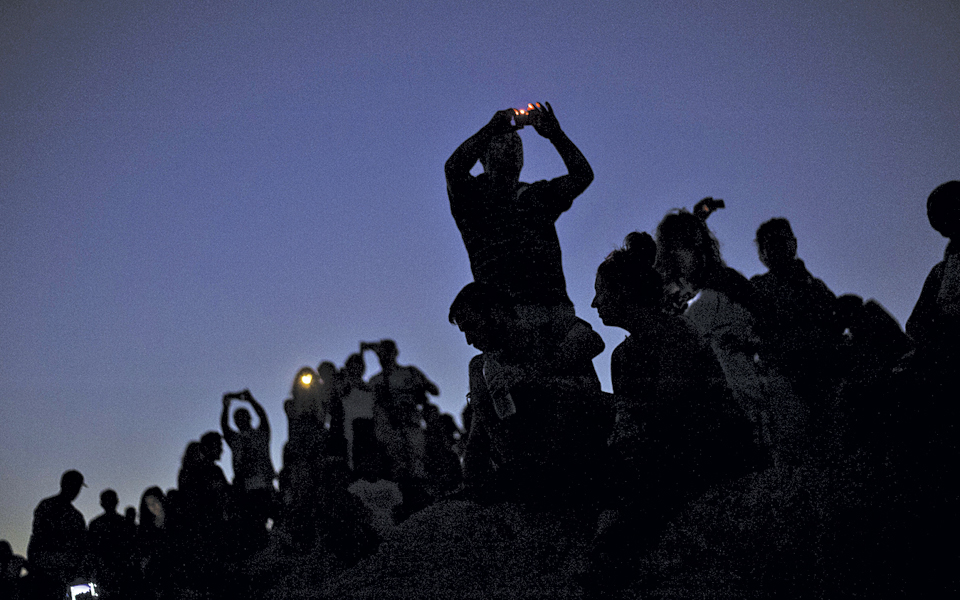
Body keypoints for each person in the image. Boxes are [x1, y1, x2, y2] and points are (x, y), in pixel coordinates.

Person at [586, 232, 757, 593]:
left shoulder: (674, 334)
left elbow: (672, 410)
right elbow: (633, 421)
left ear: (623, 292)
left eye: (601, 292)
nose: (594, 302)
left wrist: (613, 414)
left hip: (707, 451)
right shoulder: (623, 355)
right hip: (666, 454)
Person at [445, 103, 603, 412]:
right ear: (483, 157)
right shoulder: (472, 198)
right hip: (509, 321)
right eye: (501, 142)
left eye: (515, 143)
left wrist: (555, 134)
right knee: (528, 410)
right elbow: (453, 168)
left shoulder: (535, 196)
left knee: (582, 406)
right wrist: (493, 127)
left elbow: (582, 175)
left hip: (557, 314)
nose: (511, 147)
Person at [656, 207, 800, 464]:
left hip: (751, 386)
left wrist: (747, 343)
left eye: (695, 243)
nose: (692, 251)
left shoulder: (729, 282)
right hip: (702, 401)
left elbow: (770, 326)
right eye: (681, 245)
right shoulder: (667, 301)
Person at [449, 282, 610, 507]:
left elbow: (591, 341)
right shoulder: (482, 367)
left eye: (471, 326)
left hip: (581, 453)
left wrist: (530, 375)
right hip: (524, 473)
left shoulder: (546, 327)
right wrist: (471, 482)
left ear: (495, 313)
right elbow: (479, 430)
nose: (469, 339)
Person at [365, 339, 438, 518]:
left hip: (411, 427)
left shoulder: (409, 373)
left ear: (395, 353)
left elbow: (433, 390)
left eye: (387, 352)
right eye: (381, 353)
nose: (384, 357)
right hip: (388, 432)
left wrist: (417, 389)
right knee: (396, 472)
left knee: (418, 469)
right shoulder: (375, 381)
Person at [221, 389, 277, 554]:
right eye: (238, 418)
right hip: (244, 489)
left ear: (249, 418)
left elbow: (263, 417)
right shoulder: (236, 440)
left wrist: (251, 400)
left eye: (243, 417)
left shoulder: (260, 435)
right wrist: (226, 406)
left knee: (271, 519)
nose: (241, 420)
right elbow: (224, 426)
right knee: (252, 526)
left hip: (264, 486)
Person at [27, 469, 90, 600]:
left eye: (78, 487)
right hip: (47, 569)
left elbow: (81, 545)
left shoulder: (74, 515)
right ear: (64, 484)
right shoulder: (53, 508)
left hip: (60, 572)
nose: (76, 491)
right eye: (75, 486)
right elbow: (39, 535)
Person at [88, 489, 135, 598]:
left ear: (101, 504)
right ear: (117, 502)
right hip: (123, 574)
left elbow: (91, 551)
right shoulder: (126, 524)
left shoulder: (95, 524)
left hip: (105, 574)